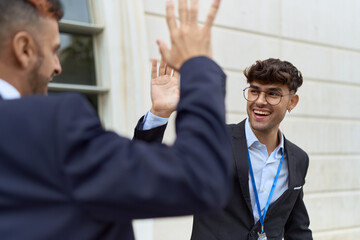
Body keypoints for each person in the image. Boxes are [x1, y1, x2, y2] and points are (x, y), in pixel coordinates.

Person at [0, 0, 233, 239]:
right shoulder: (52, 125)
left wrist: (158, 115)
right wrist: (198, 65)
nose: (57, 67)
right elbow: (200, 177)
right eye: (53, 50)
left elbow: (118, 182)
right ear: (24, 48)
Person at [137, 58, 313, 239]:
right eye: (254, 91)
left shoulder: (298, 159)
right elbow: (148, 171)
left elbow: (297, 229)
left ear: (292, 101)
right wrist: (159, 114)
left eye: (272, 94)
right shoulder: (214, 139)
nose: (260, 101)